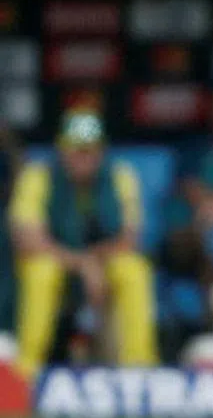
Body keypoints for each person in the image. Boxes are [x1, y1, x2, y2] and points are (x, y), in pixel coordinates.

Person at [7, 111, 158, 378]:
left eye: (89, 150)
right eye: (76, 149)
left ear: (101, 150)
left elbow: (130, 238)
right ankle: (27, 371)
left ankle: (140, 370)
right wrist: (83, 264)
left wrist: (92, 262)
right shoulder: (40, 176)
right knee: (41, 271)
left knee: (134, 270)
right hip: (59, 262)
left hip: (102, 266)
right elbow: (29, 239)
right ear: (62, 149)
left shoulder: (119, 176)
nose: (83, 157)